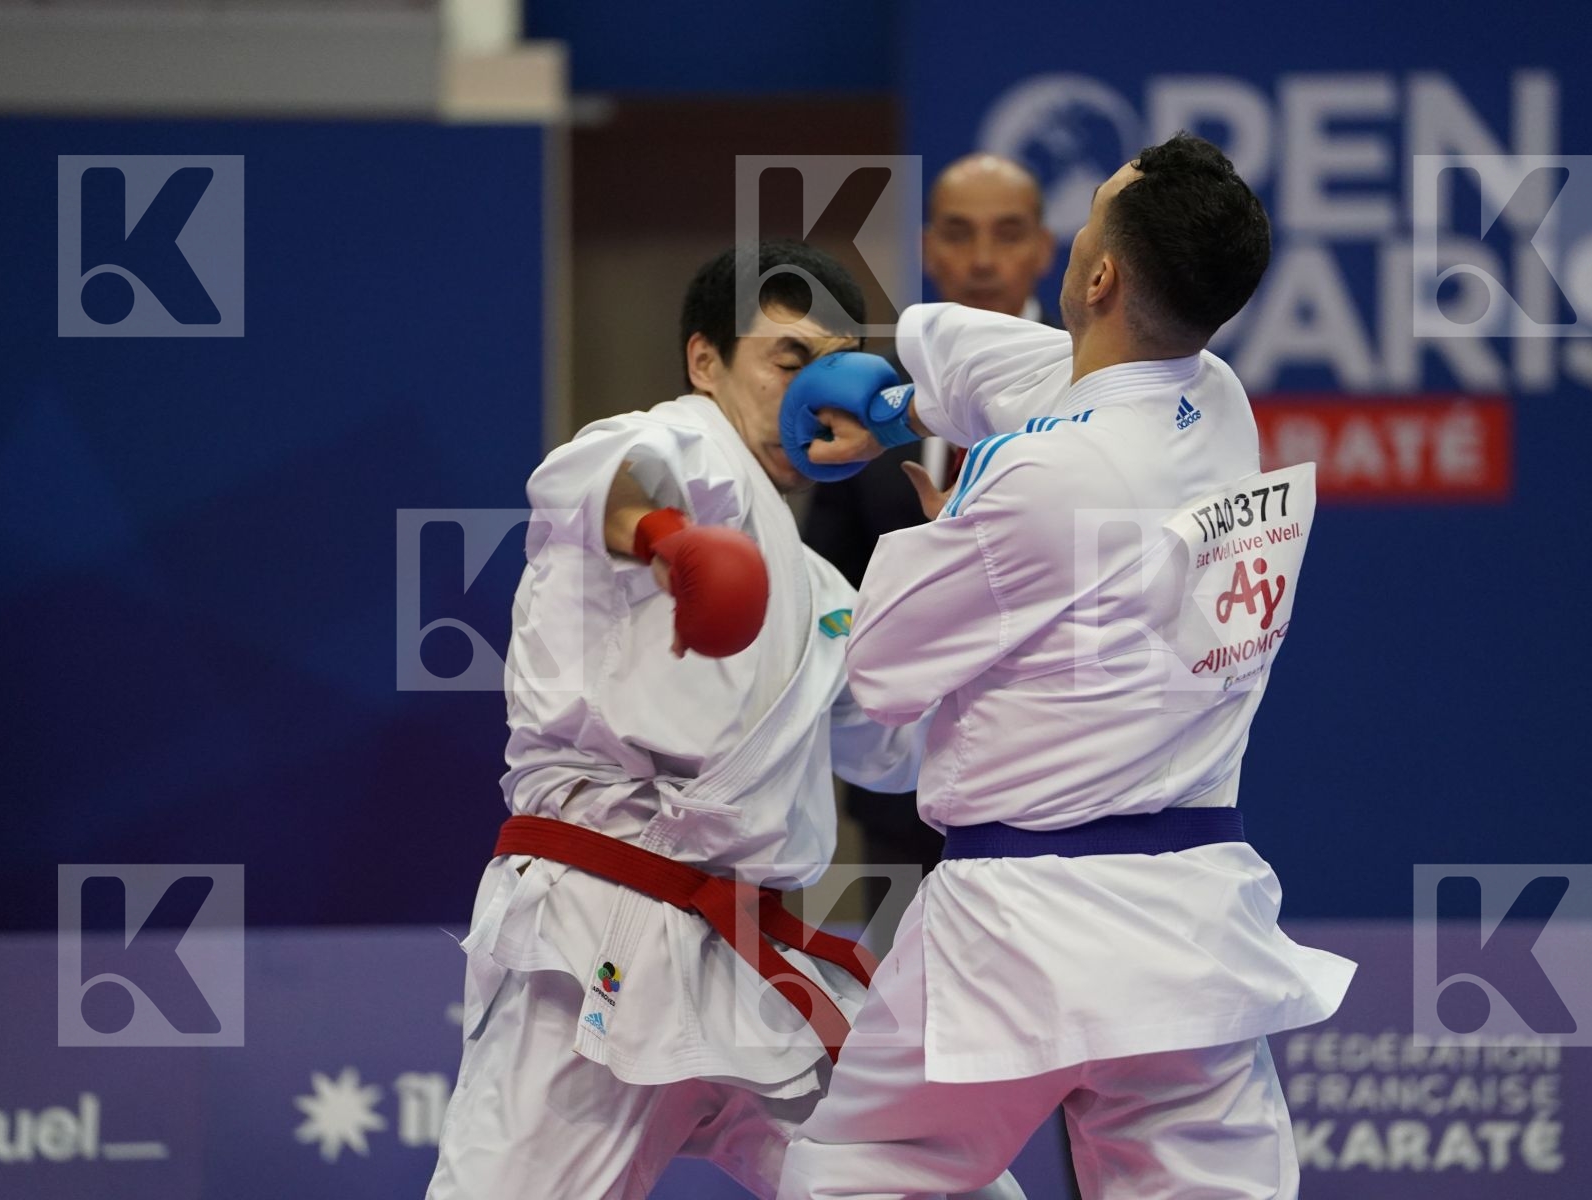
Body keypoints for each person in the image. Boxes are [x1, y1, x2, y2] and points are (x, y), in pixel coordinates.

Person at [773, 134, 1357, 1198]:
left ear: (1096, 275)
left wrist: (960, 536)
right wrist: (901, 408)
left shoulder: (1038, 481)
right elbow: (1040, 372)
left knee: (861, 1174)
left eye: (1087, 215)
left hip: (1020, 925)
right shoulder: (1220, 401)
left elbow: (886, 674)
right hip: (1192, 926)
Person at [425, 240, 1024, 1200]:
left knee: (935, 1183)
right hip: (601, 916)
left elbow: (896, 759)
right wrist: (672, 545)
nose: (812, 397)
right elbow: (613, 480)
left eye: (831, 369)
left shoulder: (823, 586)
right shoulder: (677, 444)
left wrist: (960, 578)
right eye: (788, 362)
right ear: (705, 361)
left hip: (751, 949)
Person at [803, 153, 1057, 946]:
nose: (983, 259)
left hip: (1057, 784)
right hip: (897, 797)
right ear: (928, 247)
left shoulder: (1099, 392)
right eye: (960, 233)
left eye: (1006, 234)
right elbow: (825, 587)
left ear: (1045, 251)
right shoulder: (865, 402)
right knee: (900, 1037)